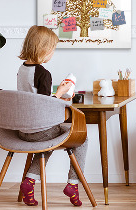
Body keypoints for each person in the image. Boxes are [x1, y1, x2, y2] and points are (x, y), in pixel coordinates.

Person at [17, 25, 87, 207]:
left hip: (23, 130)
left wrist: (56, 93)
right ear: (43, 49)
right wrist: (61, 93)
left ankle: (29, 182)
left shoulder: (22, 69)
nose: (53, 53)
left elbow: (34, 98)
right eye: (53, 49)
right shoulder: (43, 73)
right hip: (40, 130)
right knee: (82, 138)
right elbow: (44, 105)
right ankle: (73, 184)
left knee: (47, 142)